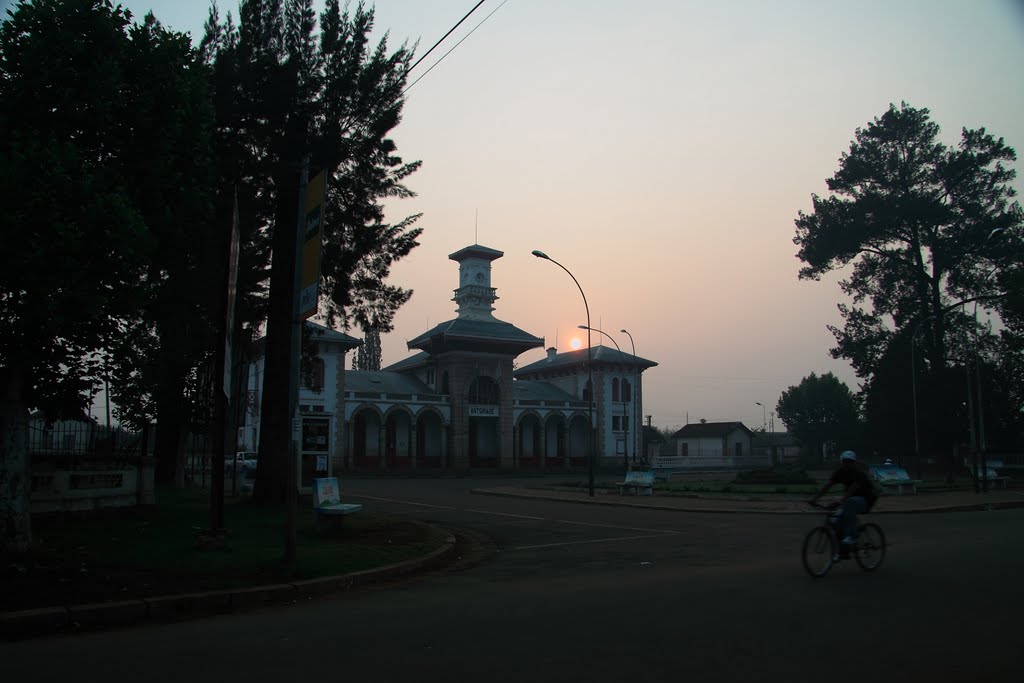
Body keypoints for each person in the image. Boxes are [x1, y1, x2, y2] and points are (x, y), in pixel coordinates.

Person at [808, 450, 877, 559]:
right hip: (849, 500)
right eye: (845, 461)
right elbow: (827, 486)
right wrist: (814, 499)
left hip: (866, 500)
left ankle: (851, 536)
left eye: (849, 461)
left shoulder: (858, 473)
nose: (847, 464)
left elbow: (853, 487)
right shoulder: (839, 472)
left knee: (849, 504)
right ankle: (843, 551)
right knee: (836, 522)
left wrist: (842, 500)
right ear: (841, 462)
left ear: (854, 463)